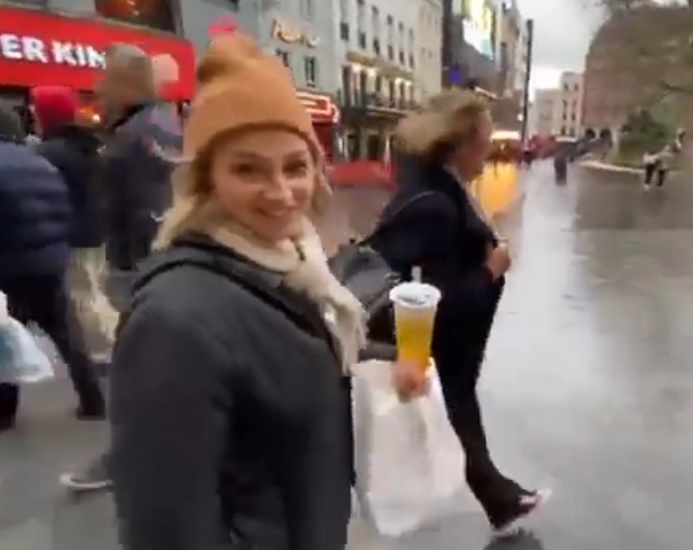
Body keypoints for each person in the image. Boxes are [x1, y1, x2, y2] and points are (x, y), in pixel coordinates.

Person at [108, 32, 414, 550]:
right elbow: (166, 530)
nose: (280, 191)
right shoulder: (174, 321)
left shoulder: (293, 265)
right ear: (207, 178)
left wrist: (385, 366)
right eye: (247, 168)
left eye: (295, 166)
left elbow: (286, 362)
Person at [370, 89, 548, 536]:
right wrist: (490, 270)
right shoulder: (435, 204)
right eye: (483, 143)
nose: (487, 155)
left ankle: (500, 500)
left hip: (450, 347)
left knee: (459, 415)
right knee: (450, 415)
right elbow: (429, 298)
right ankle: (490, 500)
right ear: (460, 145)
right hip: (436, 343)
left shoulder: (439, 189)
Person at [0, 106, 105, 432]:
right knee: (66, 334)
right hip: (48, 263)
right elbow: (63, 209)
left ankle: (4, 411)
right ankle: (93, 399)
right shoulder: (39, 162)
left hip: (8, 266)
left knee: (5, 336)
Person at [31, 86, 115, 341]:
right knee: (92, 292)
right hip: (94, 232)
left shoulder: (50, 152)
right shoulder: (86, 144)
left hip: (73, 236)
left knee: (83, 298)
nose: (32, 117)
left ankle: (105, 348)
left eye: (36, 112)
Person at [98, 43, 182, 272]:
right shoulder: (158, 121)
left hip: (139, 261)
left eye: (107, 79)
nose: (100, 89)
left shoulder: (137, 131)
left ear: (127, 84)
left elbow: (148, 207)